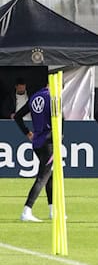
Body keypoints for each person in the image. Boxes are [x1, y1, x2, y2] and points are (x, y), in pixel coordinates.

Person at [13, 82, 54, 222]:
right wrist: (60, 138)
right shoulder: (53, 98)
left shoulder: (34, 97)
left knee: (50, 176)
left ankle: (52, 209)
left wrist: (27, 133)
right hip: (49, 142)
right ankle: (27, 210)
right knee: (43, 177)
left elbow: (17, 116)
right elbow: (61, 119)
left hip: (37, 142)